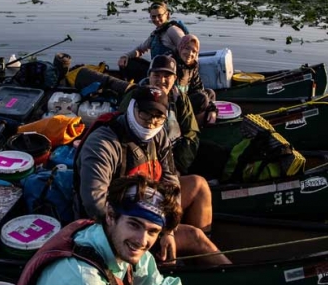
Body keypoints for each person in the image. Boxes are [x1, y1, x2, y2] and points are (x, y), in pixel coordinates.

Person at [75, 85, 229, 266]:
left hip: (148, 201)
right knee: (195, 237)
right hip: (115, 220)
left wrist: (169, 229)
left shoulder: (159, 134)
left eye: (158, 117)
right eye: (145, 113)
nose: (151, 122)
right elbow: (95, 202)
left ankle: (186, 256)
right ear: (132, 108)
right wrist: (150, 227)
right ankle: (203, 258)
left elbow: (170, 180)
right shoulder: (103, 144)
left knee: (198, 185)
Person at [12, 175, 204, 285]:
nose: (142, 240)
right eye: (134, 225)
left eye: (153, 231)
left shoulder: (119, 244)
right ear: (111, 215)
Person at [120, 56, 212, 240]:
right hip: (142, 173)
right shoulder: (136, 97)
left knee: (204, 175)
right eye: (157, 75)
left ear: (175, 79)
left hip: (169, 162)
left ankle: (182, 233)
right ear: (149, 75)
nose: (161, 80)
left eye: (167, 76)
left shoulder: (180, 98)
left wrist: (178, 166)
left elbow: (191, 134)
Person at [117, 2, 188, 81]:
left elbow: (187, 48)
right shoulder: (155, 34)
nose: (157, 19)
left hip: (169, 73)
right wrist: (125, 56)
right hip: (156, 69)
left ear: (167, 15)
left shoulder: (172, 30)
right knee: (129, 62)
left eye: (159, 15)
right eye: (153, 17)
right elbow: (140, 49)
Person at [171, 34, 217, 127]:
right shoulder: (171, 63)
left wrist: (212, 109)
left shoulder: (192, 67)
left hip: (186, 98)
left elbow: (198, 87)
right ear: (180, 47)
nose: (190, 53)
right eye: (187, 48)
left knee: (210, 93)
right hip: (174, 104)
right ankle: (195, 128)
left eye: (194, 51)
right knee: (202, 98)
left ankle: (209, 117)